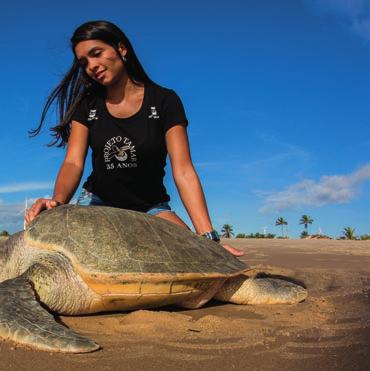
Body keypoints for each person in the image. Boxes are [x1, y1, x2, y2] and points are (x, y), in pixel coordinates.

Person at [25, 20, 243, 257]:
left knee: (197, 257)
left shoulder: (165, 101)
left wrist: (208, 236)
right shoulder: (88, 105)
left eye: (97, 54)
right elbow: (73, 162)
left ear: (122, 49)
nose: (92, 66)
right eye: (84, 62)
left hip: (151, 208)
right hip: (97, 203)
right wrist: (57, 201)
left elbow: (183, 171)